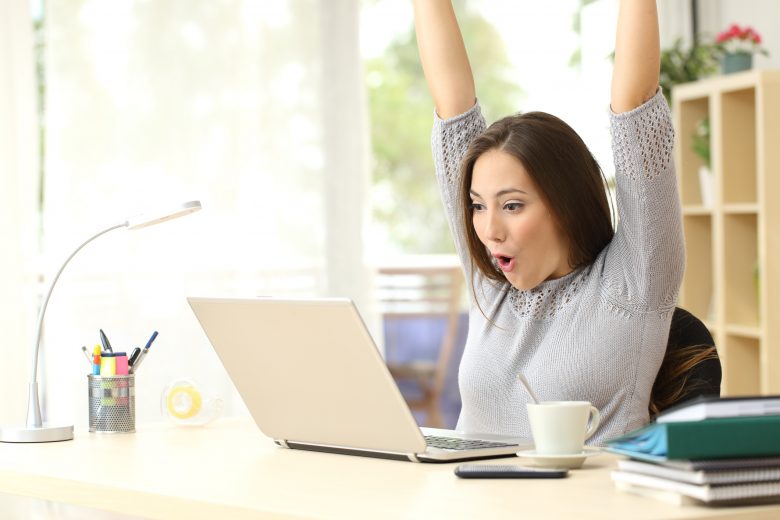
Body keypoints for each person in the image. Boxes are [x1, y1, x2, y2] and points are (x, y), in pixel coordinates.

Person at [413, 0, 684, 444]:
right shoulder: (491, 282)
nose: (488, 230)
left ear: (565, 203)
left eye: (513, 205)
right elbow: (451, 104)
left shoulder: (633, 281)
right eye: (478, 205)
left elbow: (635, 108)